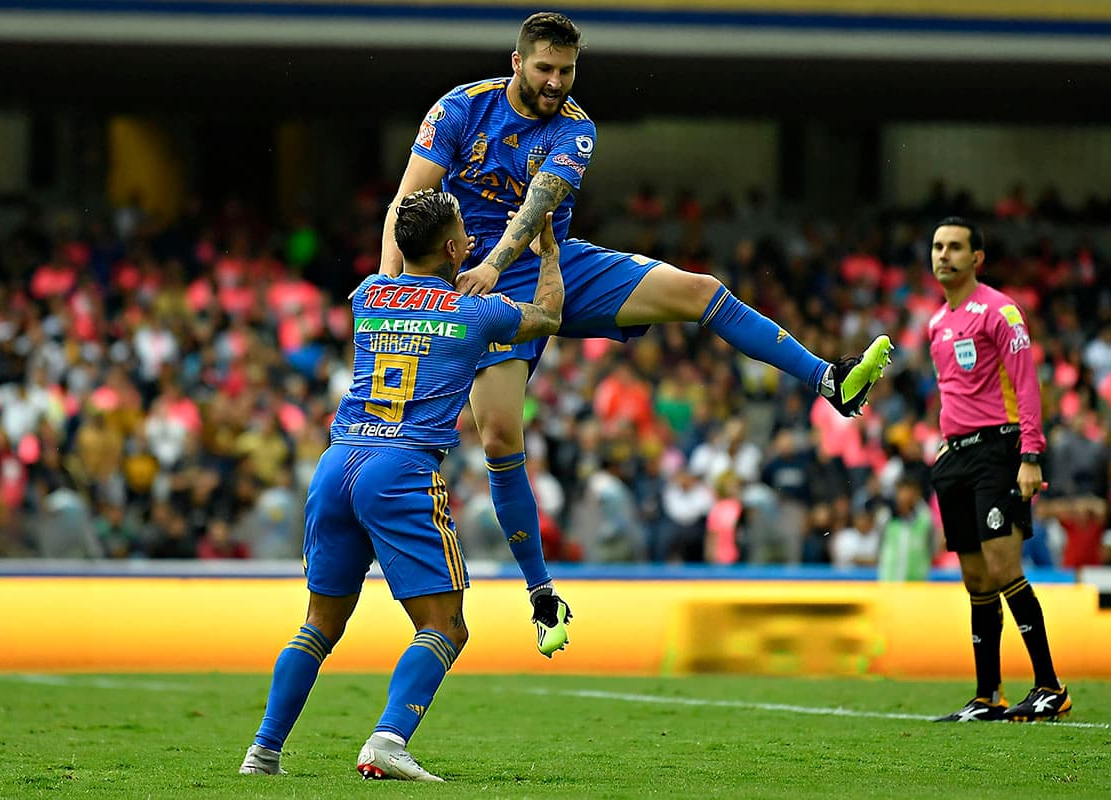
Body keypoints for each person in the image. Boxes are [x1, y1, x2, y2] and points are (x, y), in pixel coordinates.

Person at [380, 11, 893, 629]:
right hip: (468, 278)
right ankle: (542, 595)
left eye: (566, 71)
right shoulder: (462, 108)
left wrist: (495, 264)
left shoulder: (577, 130)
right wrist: (393, 291)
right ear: (516, 63)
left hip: (548, 265)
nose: (555, 81)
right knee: (498, 437)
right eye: (544, 68)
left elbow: (538, 207)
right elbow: (407, 203)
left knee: (699, 290)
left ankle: (827, 379)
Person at [239, 189, 567, 781]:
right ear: (450, 247)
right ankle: (388, 740)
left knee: (319, 624)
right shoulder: (475, 313)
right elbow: (548, 317)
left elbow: (401, 279)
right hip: (400, 469)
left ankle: (263, 751)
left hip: (337, 463)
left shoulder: (368, 296)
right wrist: (547, 254)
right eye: (464, 231)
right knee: (445, 625)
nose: (470, 239)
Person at [926, 217, 1071, 723]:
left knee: (1006, 566)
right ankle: (988, 694)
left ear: (977, 258)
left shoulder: (1000, 312)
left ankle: (1050, 686)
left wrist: (1030, 454)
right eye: (938, 246)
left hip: (1000, 451)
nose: (944, 255)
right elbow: (955, 393)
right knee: (975, 578)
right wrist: (945, 447)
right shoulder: (936, 324)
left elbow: (1025, 384)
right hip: (956, 456)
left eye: (955, 247)